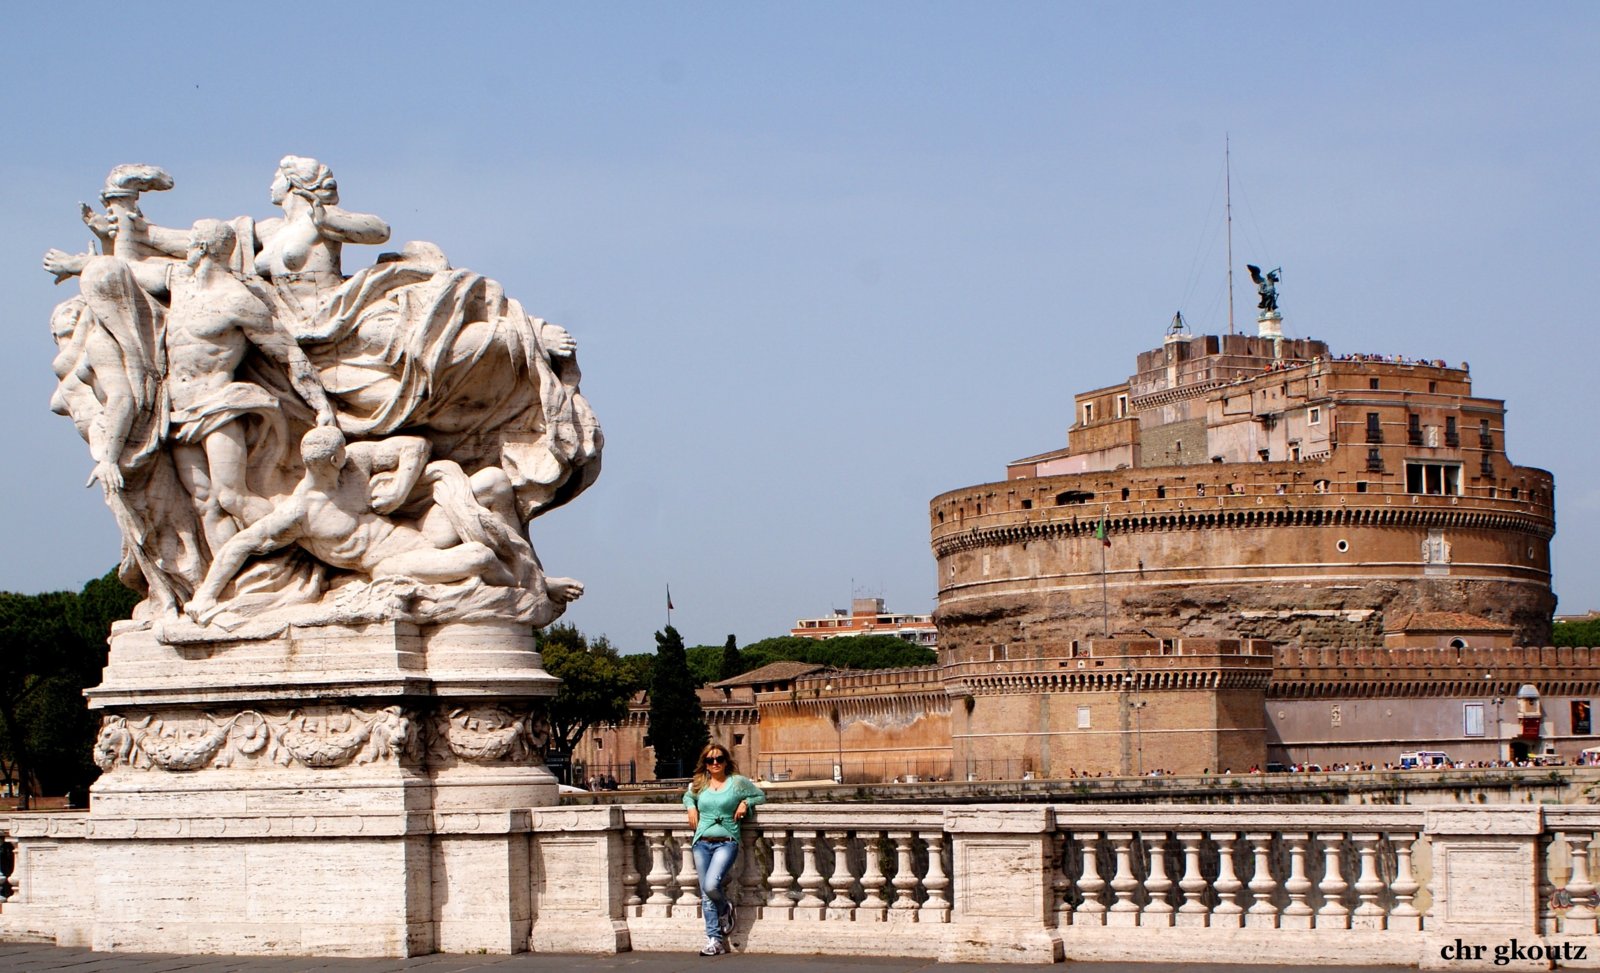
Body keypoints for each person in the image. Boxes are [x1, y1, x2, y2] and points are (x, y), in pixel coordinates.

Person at [682, 743, 765, 957]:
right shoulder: (700, 784)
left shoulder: (737, 783)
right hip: (702, 841)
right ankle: (714, 940)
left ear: (726, 761)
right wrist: (691, 806)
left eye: (719, 759)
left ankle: (725, 907)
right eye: (710, 760)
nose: (715, 763)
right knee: (705, 892)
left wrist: (746, 802)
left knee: (711, 885)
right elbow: (688, 796)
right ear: (706, 765)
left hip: (727, 841)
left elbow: (760, 796)